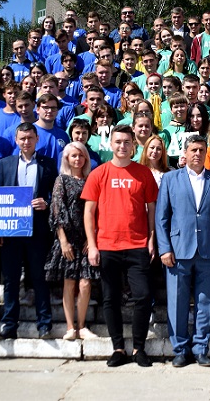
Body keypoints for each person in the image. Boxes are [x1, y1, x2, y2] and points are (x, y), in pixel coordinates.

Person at [82, 125, 158, 367]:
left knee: (143, 296)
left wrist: (151, 239)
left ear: (133, 145)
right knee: (110, 298)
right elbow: (89, 212)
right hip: (107, 245)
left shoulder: (143, 173)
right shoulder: (98, 173)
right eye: (118, 142)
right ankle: (117, 348)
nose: (122, 146)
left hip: (137, 244)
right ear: (111, 144)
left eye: (127, 142)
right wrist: (92, 245)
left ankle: (138, 348)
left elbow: (152, 209)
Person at [155, 135, 210, 367]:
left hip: (209, 250)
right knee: (177, 302)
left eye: (201, 150)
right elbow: (161, 217)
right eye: (193, 150)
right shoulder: (170, 179)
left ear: (206, 153)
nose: (197, 154)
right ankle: (180, 349)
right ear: (185, 153)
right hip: (178, 251)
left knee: (205, 302)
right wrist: (164, 248)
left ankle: (200, 348)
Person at [0, 123, 58, 340]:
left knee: (39, 278)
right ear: (16, 140)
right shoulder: (6, 164)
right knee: (11, 279)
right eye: (22, 138)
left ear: (37, 139)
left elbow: (55, 194)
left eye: (30, 138)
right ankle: (9, 326)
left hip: (38, 229)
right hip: (12, 231)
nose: (26, 142)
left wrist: (46, 203)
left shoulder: (48, 164)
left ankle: (44, 324)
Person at [45, 142, 99, 341]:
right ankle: (70, 327)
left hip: (86, 239)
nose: (77, 159)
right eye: (73, 156)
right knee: (69, 283)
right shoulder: (61, 180)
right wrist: (63, 241)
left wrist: (92, 239)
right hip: (67, 239)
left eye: (81, 155)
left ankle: (82, 326)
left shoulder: (91, 179)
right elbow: (57, 210)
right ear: (67, 158)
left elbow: (97, 210)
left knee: (85, 283)